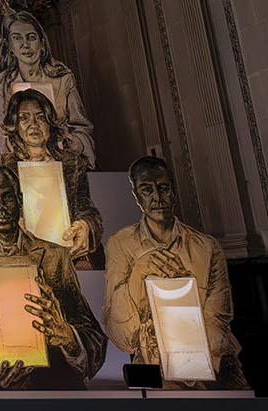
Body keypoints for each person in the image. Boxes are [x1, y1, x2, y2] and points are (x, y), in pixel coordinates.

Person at [0, 165, 106, 390]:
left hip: (52, 380)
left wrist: (67, 337)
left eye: (8, 197)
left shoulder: (54, 256)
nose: (1, 207)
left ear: (20, 199)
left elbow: (93, 335)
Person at [103, 156, 247, 388]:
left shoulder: (206, 247)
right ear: (136, 196)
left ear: (174, 190)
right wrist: (138, 274)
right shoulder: (121, 244)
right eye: (147, 190)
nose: (157, 198)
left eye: (164, 188)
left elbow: (218, 320)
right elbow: (122, 336)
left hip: (211, 365)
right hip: (154, 367)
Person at [0, 89, 103, 269]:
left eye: (40, 117)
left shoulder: (71, 162)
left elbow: (87, 209)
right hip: (26, 254)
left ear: (50, 124)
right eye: (24, 118)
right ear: (14, 124)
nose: (33, 124)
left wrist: (85, 225)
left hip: (67, 253)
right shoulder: (5, 165)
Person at [0, 10, 95, 165]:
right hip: (20, 159)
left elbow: (81, 126)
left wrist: (71, 144)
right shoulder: (0, 81)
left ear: (42, 44)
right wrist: (17, 147)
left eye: (31, 37)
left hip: (62, 156)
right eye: (17, 38)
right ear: (9, 46)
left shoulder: (63, 78)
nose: (25, 44)